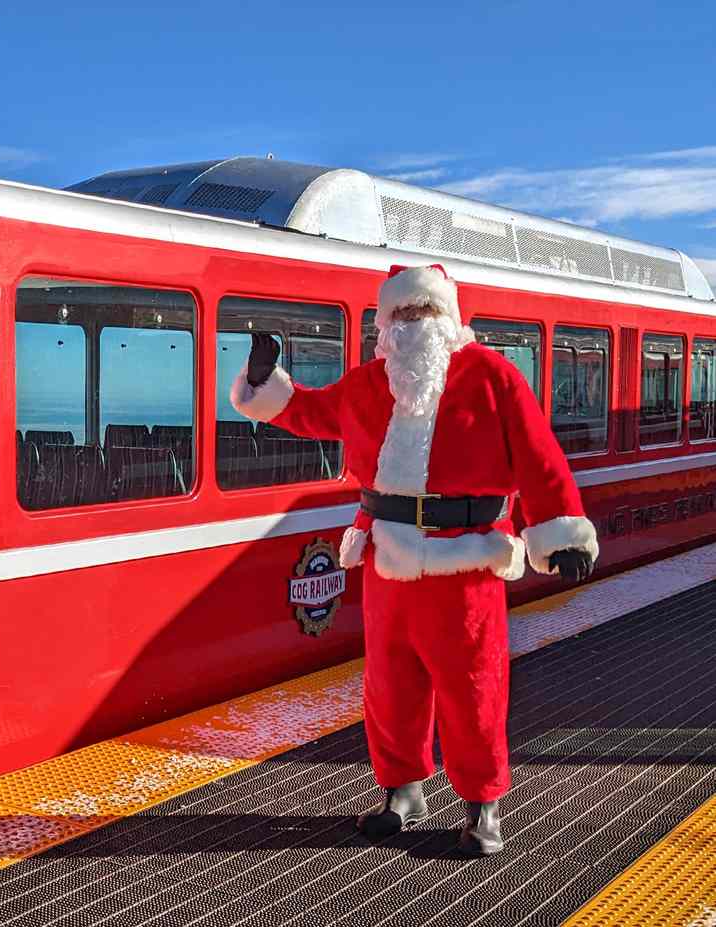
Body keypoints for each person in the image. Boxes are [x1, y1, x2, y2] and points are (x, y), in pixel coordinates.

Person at [230, 264, 597, 855]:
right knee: (389, 685)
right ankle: (401, 790)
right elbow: (309, 411)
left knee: (473, 688)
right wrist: (263, 380)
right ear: (385, 323)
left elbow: (539, 455)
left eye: (423, 312)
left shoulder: (493, 376)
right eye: (402, 314)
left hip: (467, 564)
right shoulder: (369, 383)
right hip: (387, 563)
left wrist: (561, 534)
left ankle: (483, 805)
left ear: (448, 317)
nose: (413, 324)